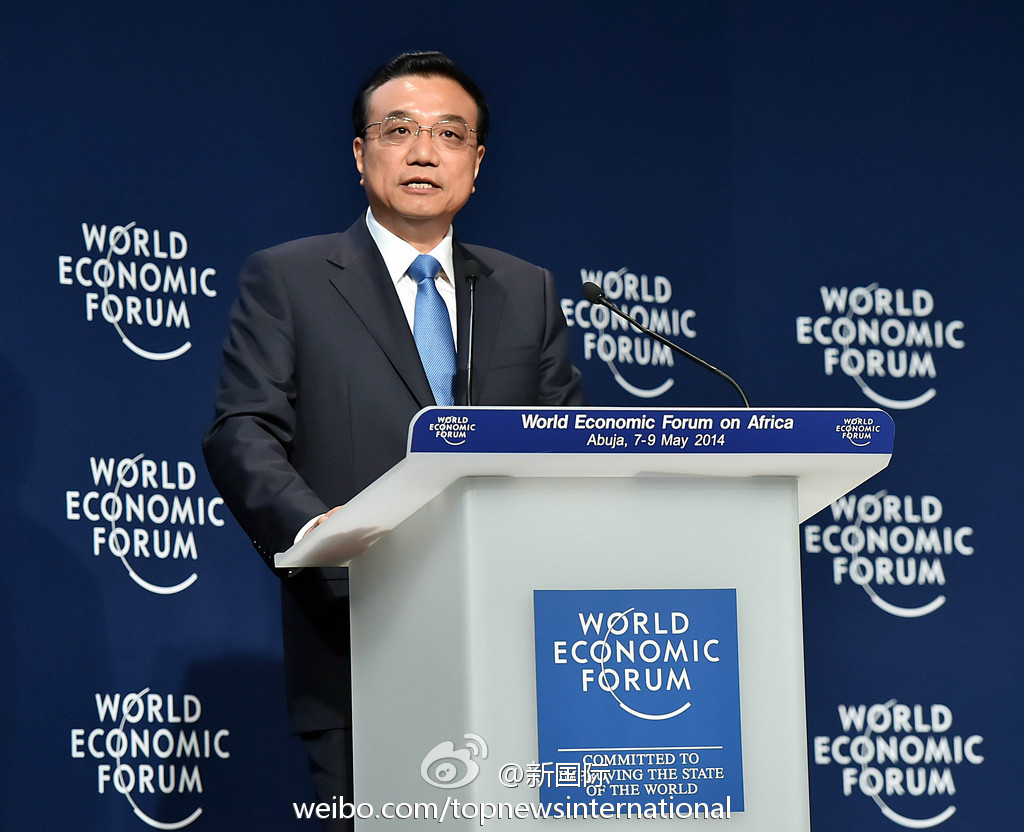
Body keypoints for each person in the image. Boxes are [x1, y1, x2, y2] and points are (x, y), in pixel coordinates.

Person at [201, 51, 585, 827]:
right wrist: (322, 531)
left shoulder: (526, 289)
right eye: (399, 130)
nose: (423, 152)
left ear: (476, 163)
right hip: (357, 635)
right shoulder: (290, 279)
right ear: (360, 152)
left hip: (513, 648)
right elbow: (243, 430)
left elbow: (565, 447)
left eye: (450, 134)